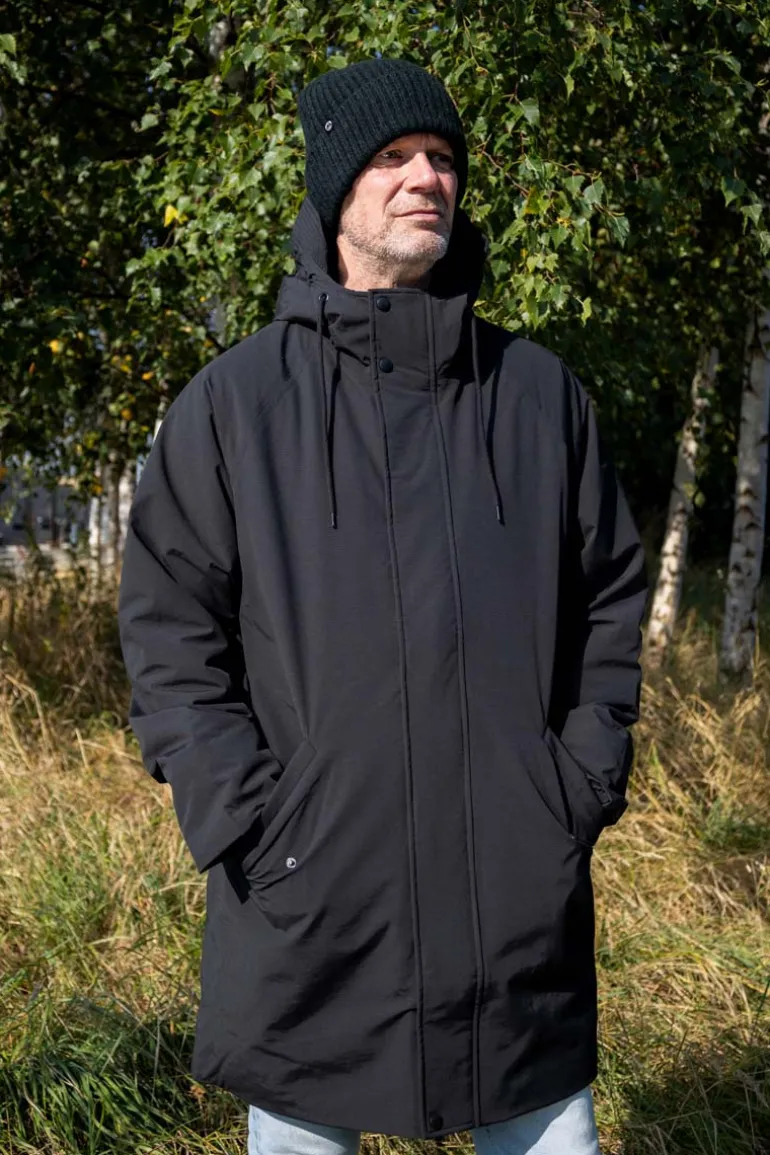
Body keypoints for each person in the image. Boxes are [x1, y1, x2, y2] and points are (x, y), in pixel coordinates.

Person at [118, 57, 648, 1155]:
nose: (425, 178)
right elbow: (171, 634)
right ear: (333, 189)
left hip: (515, 908)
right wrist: (251, 821)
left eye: (442, 158)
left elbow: (608, 601)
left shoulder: (536, 396)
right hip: (310, 902)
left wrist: (574, 786)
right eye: (393, 156)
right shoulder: (235, 406)